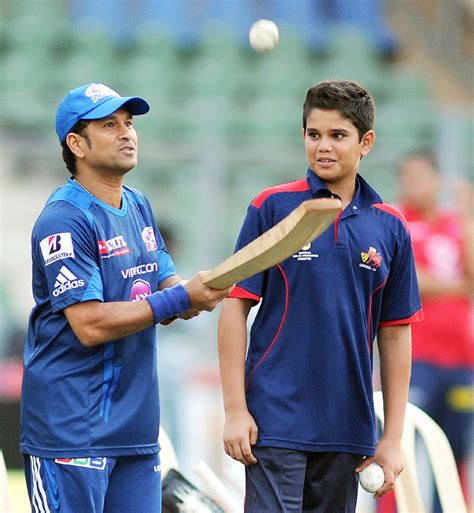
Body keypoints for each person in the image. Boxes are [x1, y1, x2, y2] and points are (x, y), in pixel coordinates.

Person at [20, 82, 232, 513]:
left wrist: (200, 292)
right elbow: (89, 324)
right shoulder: (65, 217)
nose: (127, 133)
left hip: (136, 432)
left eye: (130, 123)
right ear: (76, 144)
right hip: (71, 430)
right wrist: (178, 300)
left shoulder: (138, 205)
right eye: (110, 125)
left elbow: (168, 290)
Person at [217, 80, 423, 512]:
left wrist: (392, 438)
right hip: (273, 424)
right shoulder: (271, 207)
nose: (323, 147)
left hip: (348, 429)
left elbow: (396, 333)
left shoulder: (390, 226)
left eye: (338, 135)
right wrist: (236, 409)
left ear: (366, 142)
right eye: (314, 135)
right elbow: (234, 307)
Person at [394, 150, 473, 513]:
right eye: (408, 177)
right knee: (401, 447)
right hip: (415, 359)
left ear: (437, 180)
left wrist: (468, 215)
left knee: (454, 451)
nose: (414, 185)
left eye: (421, 176)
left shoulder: (455, 225)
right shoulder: (397, 224)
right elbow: (410, 280)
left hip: (461, 361)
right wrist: (459, 286)